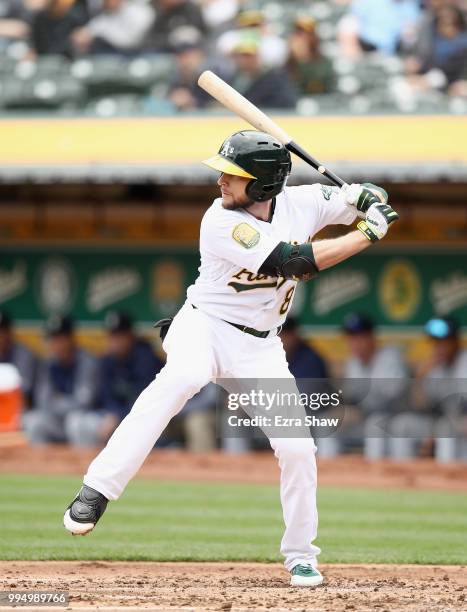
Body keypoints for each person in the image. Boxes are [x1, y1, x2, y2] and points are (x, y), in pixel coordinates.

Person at [62, 129, 399, 587]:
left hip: (261, 348)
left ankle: (301, 555)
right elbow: (292, 261)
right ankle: (98, 488)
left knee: (298, 449)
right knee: (181, 378)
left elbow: (369, 197)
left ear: (262, 184)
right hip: (205, 327)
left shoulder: (306, 202)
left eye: (233, 175)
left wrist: (366, 196)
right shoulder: (219, 221)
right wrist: (366, 232)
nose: (221, 181)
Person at [67, 311, 163, 446]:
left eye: (119, 336)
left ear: (130, 336)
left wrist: (118, 416)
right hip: (113, 417)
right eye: (111, 336)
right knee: (77, 422)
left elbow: (145, 400)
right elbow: (105, 397)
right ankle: (90, 464)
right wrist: (113, 414)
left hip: (143, 418)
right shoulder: (107, 361)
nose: (114, 341)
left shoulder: (146, 360)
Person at [322, 313, 410, 460]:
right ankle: (329, 475)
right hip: (366, 419)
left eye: (358, 337)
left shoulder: (390, 359)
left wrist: (359, 411)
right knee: (328, 422)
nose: (353, 343)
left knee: (374, 425)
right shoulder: (353, 363)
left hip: (394, 418)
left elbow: (392, 402)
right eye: (350, 338)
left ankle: (375, 477)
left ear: (371, 337)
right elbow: (351, 397)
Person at [394, 316, 467, 462]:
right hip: (442, 423)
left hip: (460, 424)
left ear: (455, 341)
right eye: (436, 343)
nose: (438, 347)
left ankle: (447, 479)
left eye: (443, 342)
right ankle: (402, 479)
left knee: (446, 429)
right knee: (402, 425)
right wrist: (420, 379)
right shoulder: (435, 367)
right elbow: (421, 406)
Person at [23, 315, 98, 444]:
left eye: (60, 339)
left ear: (70, 339)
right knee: (32, 421)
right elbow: (42, 401)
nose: (56, 344)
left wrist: (57, 400)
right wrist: (62, 403)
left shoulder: (86, 361)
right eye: (52, 339)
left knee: (75, 422)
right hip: (57, 420)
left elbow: (85, 402)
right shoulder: (48, 363)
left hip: (82, 418)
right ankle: (43, 463)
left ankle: (83, 463)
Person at [229, 39, 297, 110]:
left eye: (250, 56)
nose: (246, 60)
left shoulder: (272, 78)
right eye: (243, 56)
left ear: (258, 57)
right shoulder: (236, 77)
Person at [338, 0, 421, 58]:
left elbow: (411, 34)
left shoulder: (411, 6)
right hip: (366, 48)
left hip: (394, 53)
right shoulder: (370, 2)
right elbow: (349, 23)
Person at [71, 0, 155, 56]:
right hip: (103, 59)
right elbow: (86, 33)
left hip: (131, 58)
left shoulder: (140, 12)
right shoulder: (106, 15)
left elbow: (130, 42)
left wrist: (99, 38)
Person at [286, 16, 337, 96]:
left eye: (307, 34)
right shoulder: (287, 63)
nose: (302, 39)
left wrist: (303, 58)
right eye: (299, 34)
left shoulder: (324, 63)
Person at [0, 310, 37, 408]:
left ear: (9, 333)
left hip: (21, 409)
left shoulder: (24, 355)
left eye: (1, 332)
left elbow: (23, 391)